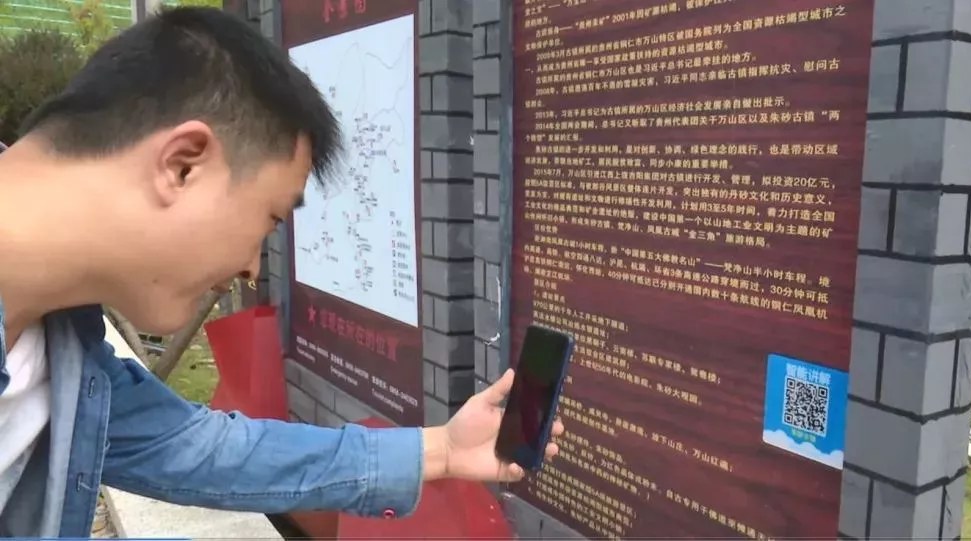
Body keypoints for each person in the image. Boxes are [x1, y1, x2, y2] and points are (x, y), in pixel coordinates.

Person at [0, 6, 562, 538]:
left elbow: (204, 451)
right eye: (270, 219)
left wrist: (441, 450)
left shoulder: (65, 349)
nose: (250, 267)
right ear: (183, 164)